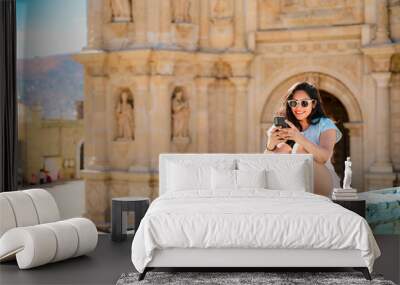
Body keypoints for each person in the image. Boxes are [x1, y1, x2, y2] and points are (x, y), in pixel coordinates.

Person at [265, 81, 342, 197]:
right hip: (295, 187)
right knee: (282, 148)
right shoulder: (285, 124)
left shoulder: (325, 124)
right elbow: (265, 165)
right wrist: (270, 145)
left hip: (324, 184)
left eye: (304, 103)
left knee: (299, 149)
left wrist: (298, 137)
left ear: (314, 104)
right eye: (293, 103)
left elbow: (324, 157)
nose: (298, 108)